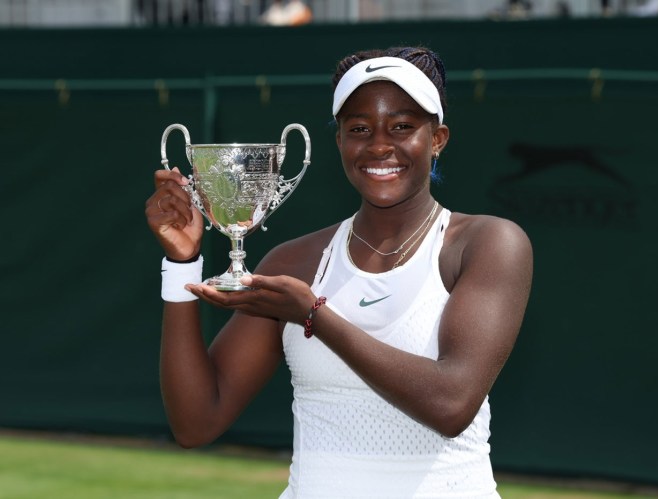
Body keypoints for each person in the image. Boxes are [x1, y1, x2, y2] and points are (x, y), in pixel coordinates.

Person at [145, 46, 533, 498]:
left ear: (437, 139)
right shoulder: (295, 262)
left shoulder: (488, 243)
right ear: (340, 142)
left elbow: (451, 404)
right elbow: (196, 422)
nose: (379, 145)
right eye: (359, 129)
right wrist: (181, 264)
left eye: (402, 127)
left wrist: (314, 315)